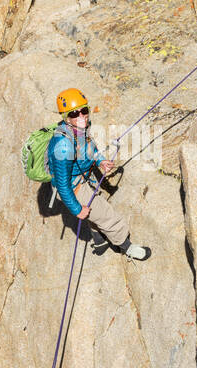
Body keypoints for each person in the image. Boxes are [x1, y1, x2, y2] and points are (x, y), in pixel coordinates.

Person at [46, 88, 151, 261]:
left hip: (84, 178)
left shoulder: (80, 130)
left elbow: (90, 150)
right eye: (74, 113)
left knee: (94, 212)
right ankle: (127, 247)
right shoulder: (63, 145)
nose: (82, 116)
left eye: (84, 110)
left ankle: (99, 240)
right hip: (74, 188)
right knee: (107, 215)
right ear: (66, 117)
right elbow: (63, 184)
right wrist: (77, 209)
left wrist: (100, 161)